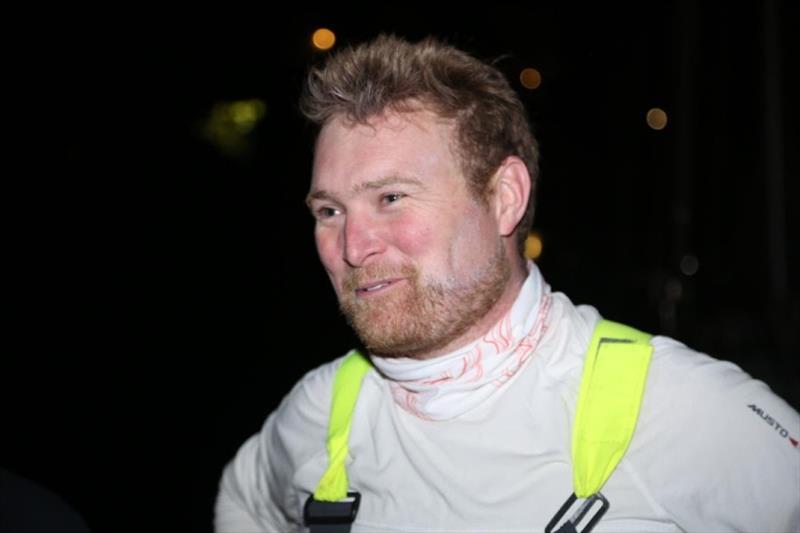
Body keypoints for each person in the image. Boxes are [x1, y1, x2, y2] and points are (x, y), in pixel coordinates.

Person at [214, 34, 799, 532]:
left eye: (391, 198)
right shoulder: (321, 413)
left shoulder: (678, 411)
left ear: (504, 198)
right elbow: (243, 503)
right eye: (330, 211)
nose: (352, 247)